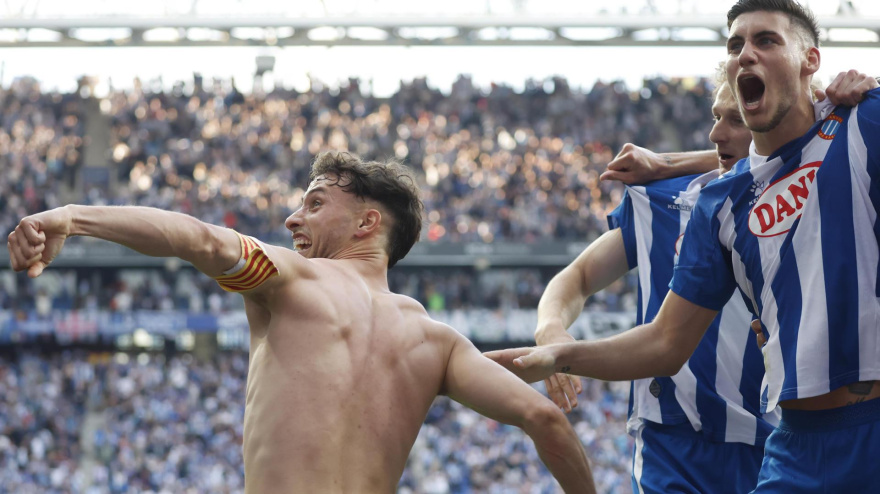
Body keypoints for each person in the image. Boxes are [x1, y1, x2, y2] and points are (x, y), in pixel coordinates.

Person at [7, 152, 595, 493]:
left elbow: (198, 238)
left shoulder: (289, 281)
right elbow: (545, 418)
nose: (292, 218)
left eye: (314, 204)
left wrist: (70, 217)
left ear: (367, 224)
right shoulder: (437, 342)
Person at [486, 1, 880, 491]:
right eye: (736, 44)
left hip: (797, 432)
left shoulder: (860, 127)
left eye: (767, 41)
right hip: (779, 445)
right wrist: (558, 351)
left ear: (811, 62)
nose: (746, 55)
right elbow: (662, 338)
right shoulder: (715, 204)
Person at [530, 74, 778, 494]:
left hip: (772, 442)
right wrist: (549, 328)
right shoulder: (664, 200)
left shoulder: (805, 192)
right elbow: (578, 277)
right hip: (672, 445)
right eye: (717, 117)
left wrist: (669, 159)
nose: (717, 132)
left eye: (736, 119)